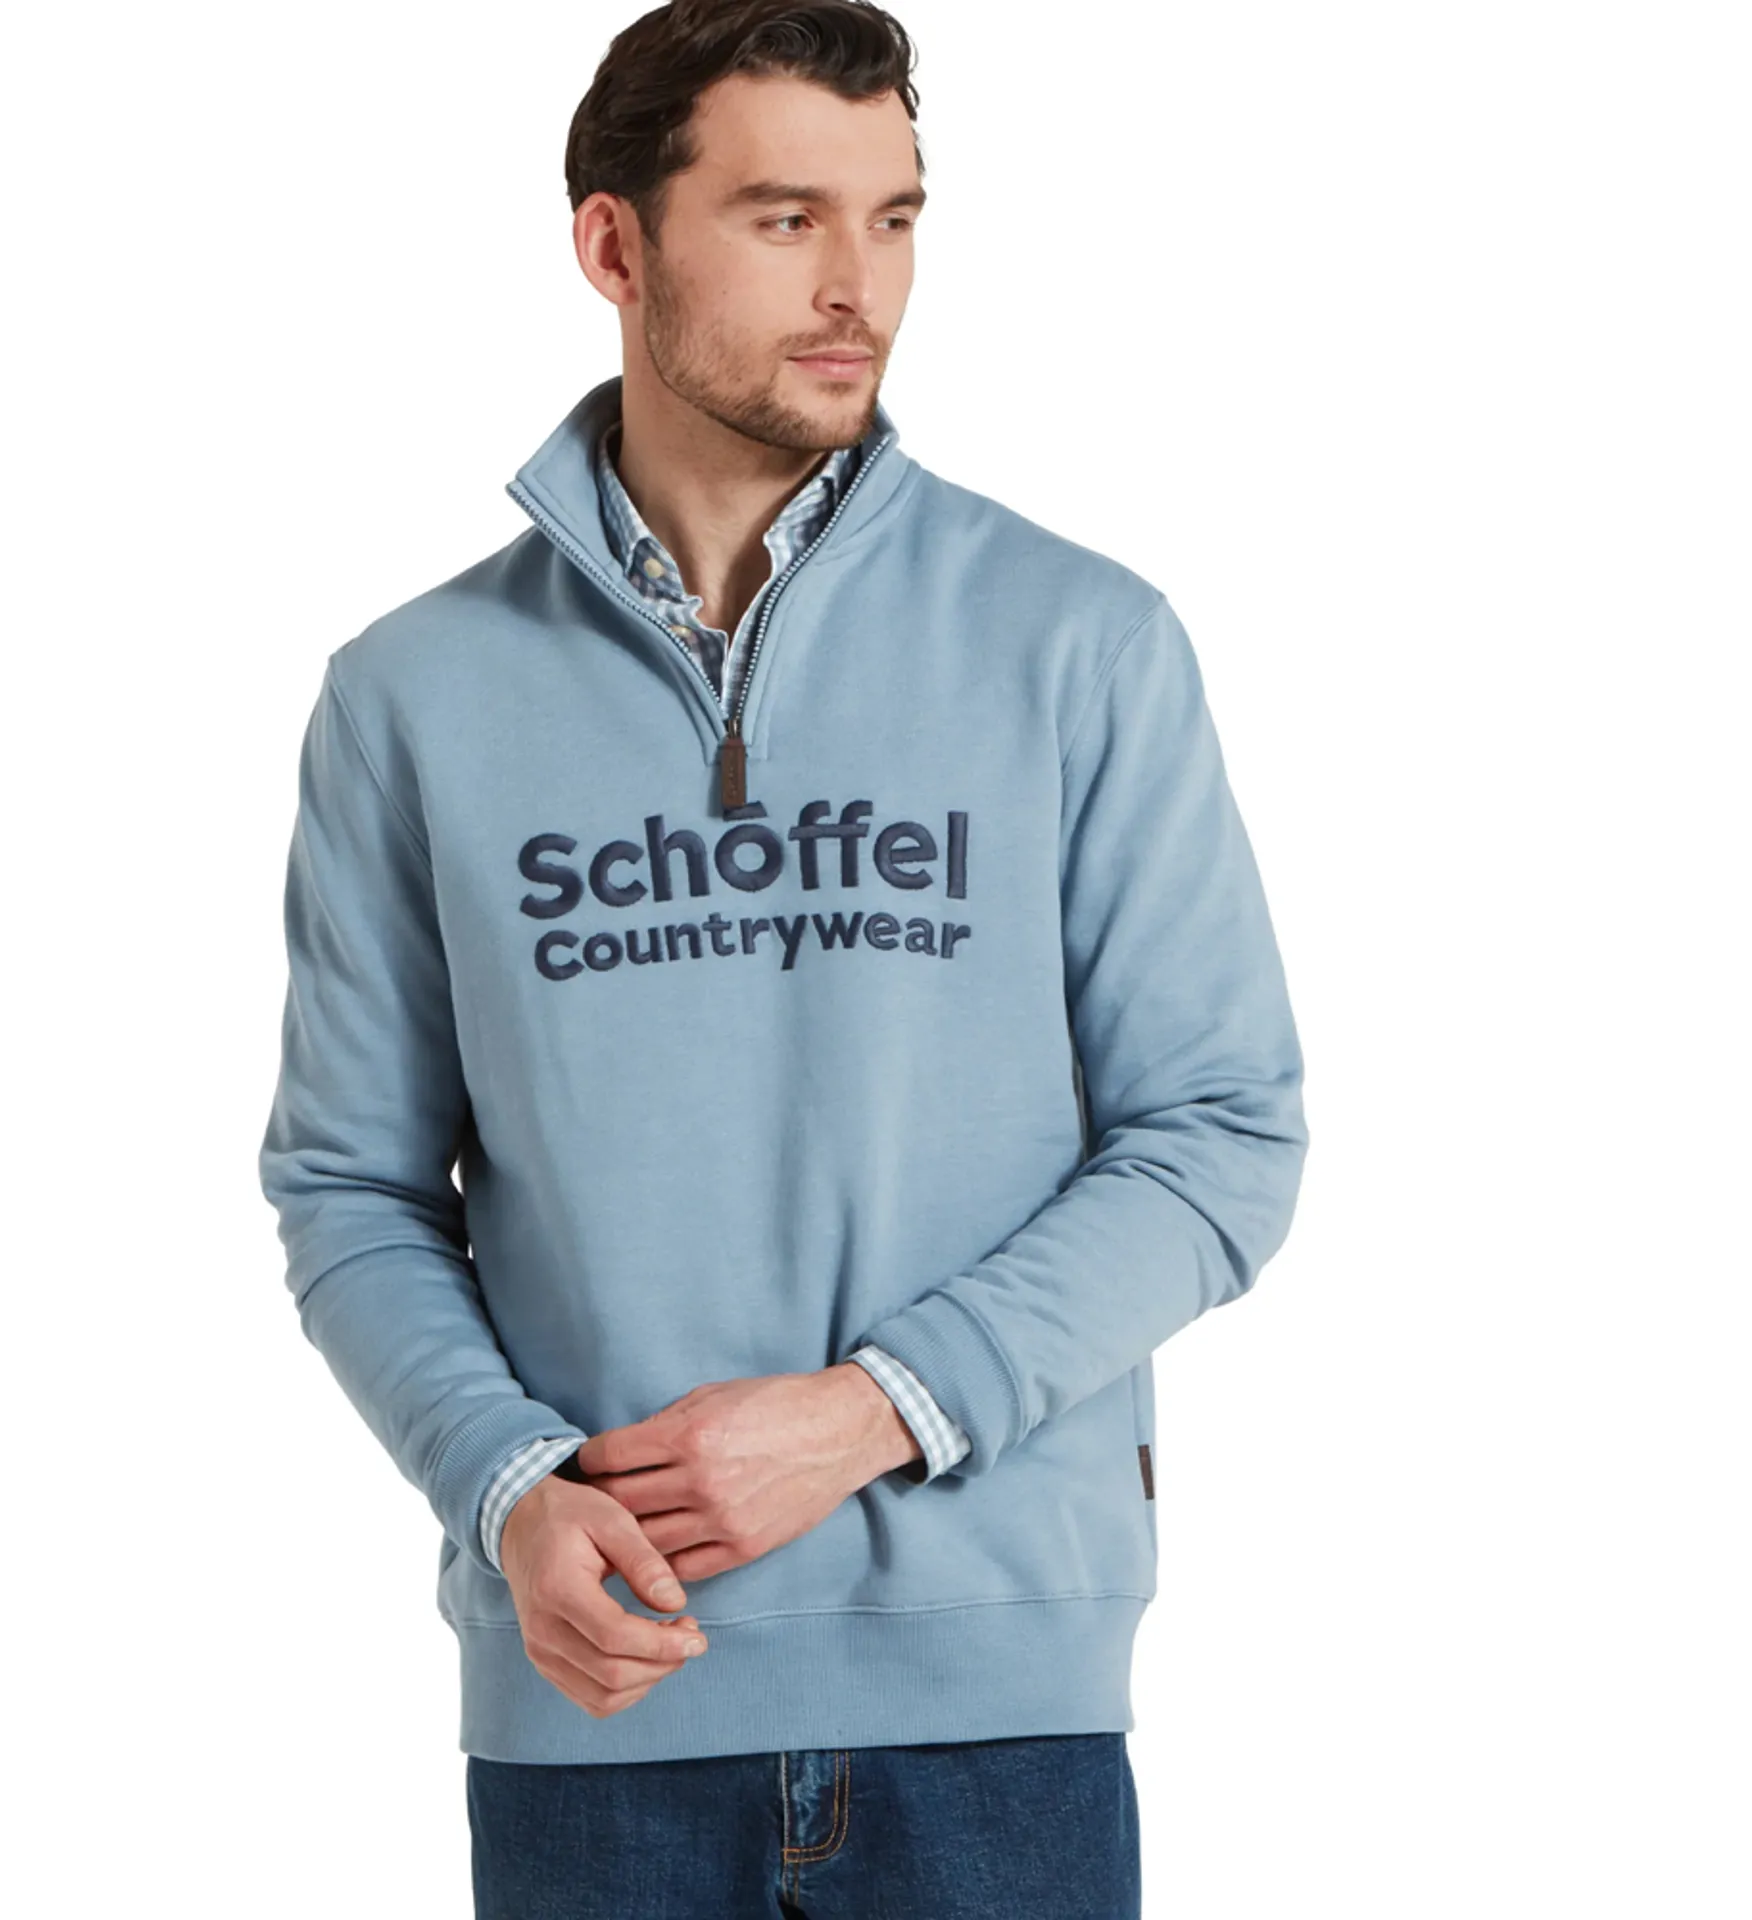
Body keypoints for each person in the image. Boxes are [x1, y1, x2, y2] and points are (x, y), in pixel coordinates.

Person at [257, 2, 1308, 1912]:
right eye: (784, 217)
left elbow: (1221, 1136)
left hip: (999, 1705)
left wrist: (870, 1411)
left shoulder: (1079, 643)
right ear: (614, 245)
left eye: (894, 218)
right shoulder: (413, 696)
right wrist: (508, 1489)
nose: (858, 288)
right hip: (598, 1706)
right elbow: (351, 1186)